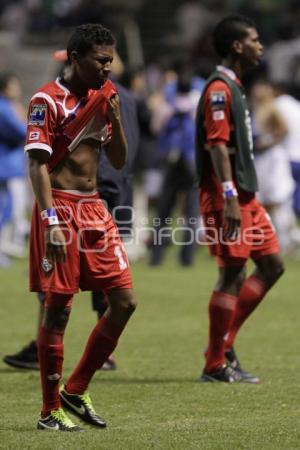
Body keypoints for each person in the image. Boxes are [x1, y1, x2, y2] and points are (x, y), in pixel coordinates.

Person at [24, 23, 137, 431]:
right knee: (58, 311)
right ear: (75, 58)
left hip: (94, 210)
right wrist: (48, 218)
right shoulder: (46, 100)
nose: (108, 68)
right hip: (61, 208)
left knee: (124, 301)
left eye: (110, 60)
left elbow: (120, 160)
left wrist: (117, 119)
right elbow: (37, 163)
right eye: (101, 60)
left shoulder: (104, 97)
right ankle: (49, 410)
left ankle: (76, 388)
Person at [3, 51, 140, 372]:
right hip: (94, 196)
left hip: (96, 196)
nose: (102, 68)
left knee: (106, 292)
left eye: (106, 61)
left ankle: (69, 356)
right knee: (70, 296)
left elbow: (116, 154)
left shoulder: (112, 99)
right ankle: (62, 374)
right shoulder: (54, 98)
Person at [195, 15, 284, 383]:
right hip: (226, 196)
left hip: (246, 196)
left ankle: (223, 343)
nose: (260, 45)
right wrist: (229, 195)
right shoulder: (219, 89)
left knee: (272, 265)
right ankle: (215, 363)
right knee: (232, 273)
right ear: (237, 46)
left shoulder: (235, 86)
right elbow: (216, 144)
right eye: (254, 39)